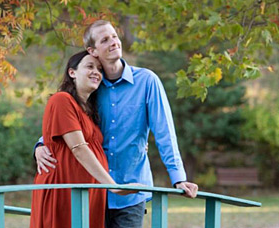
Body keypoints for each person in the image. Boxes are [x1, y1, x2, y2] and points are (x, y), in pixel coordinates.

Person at [34, 20, 198, 228]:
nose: (113, 42)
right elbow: (71, 120)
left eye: (114, 36)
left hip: (130, 192)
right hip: (93, 191)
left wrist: (178, 178)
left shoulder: (147, 81)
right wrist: (41, 145)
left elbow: (165, 133)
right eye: (104, 40)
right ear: (92, 50)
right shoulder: (91, 84)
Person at [30, 51, 137, 228]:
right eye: (90, 66)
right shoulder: (62, 100)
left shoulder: (90, 113)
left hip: (89, 194)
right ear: (72, 72)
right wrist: (113, 186)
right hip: (64, 190)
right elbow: (78, 147)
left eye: (99, 69)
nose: (96, 72)